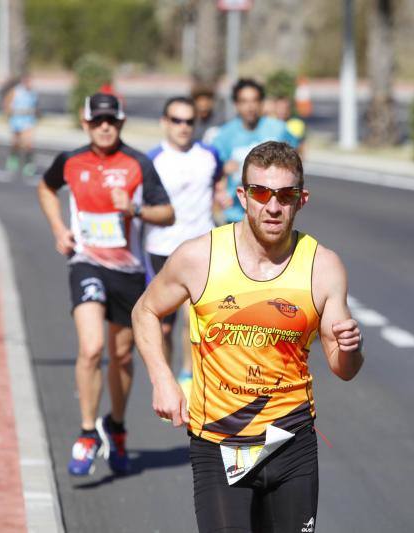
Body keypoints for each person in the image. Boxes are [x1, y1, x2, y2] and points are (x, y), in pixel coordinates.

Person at [132, 141, 364, 532]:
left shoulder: (322, 267)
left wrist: (350, 349)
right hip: (220, 441)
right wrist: (162, 380)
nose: (272, 207)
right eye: (260, 193)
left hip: (290, 441)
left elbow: (344, 369)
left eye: (285, 195)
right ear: (243, 196)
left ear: (301, 199)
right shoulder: (200, 257)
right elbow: (145, 310)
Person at [37, 93, 174, 477]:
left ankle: (116, 427)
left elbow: (168, 213)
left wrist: (134, 209)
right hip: (86, 264)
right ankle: (86, 433)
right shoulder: (70, 161)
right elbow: (46, 188)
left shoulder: (138, 163)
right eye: (97, 121)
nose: (104, 127)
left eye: (110, 121)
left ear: (121, 123)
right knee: (92, 346)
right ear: (85, 124)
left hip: (129, 272)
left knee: (124, 356)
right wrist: (58, 229)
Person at [145, 96, 222, 399]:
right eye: (177, 120)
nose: (183, 127)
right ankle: (166, 380)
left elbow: (218, 182)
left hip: (202, 247)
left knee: (195, 317)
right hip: (161, 249)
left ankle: (188, 375)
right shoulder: (152, 160)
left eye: (189, 121)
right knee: (163, 328)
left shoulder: (209, 155)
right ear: (165, 122)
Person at [212, 78, 298, 225]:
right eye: (244, 101)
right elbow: (215, 173)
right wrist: (221, 186)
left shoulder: (278, 129)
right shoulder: (224, 135)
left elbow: (296, 158)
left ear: (261, 103)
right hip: (236, 214)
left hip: (272, 212)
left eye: (254, 100)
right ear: (236, 104)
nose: (250, 107)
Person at [3, 75, 38, 176]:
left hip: (28, 122)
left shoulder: (33, 93)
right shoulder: (16, 91)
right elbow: (6, 104)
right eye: (27, 82)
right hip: (16, 121)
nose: (29, 84)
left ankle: (29, 165)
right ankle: (13, 157)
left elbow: (35, 106)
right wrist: (10, 112)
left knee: (28, 143)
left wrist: (34, 112)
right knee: (15, 143)